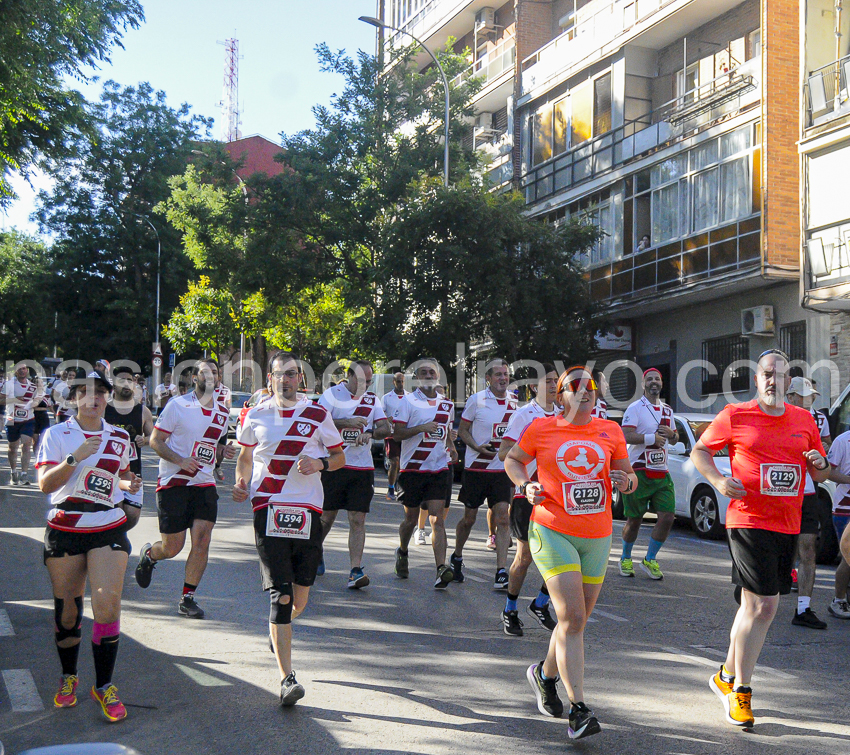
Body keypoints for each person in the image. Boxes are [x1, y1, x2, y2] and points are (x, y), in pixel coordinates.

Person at [692, 349, 828, 728]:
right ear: (757, 379)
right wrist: (718, 480)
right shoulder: (736, 416)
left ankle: (723, 675)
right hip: (748, 520)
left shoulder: (803, 419)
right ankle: (741, 691)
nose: (773, 380)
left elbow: (818, 470)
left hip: (787, 522)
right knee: (764, 608)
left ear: (789, 381)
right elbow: (700, 449)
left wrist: (819, 464)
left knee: (751, 607)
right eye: (767, 373)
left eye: (780, 375)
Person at [505, 366, 635, 739]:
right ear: (560, 396)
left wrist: (627, 481)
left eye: (589, 386)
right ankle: (579, 709)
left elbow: (628, 475)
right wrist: (525, 484)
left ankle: (544, 676)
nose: (583, 391)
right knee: (574, 619)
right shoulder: (542, 428)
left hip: (597, 536)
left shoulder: (609, 430)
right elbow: (513, 459)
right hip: (552, 531)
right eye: (573, 387)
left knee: (571, 623)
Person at [233, 351, 345, 705]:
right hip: (269, 507)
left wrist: (320, 462)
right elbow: (246, 456)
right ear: (270, 379)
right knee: (280, 596)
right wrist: (241, 482)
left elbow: (340, 457)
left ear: (301, 379)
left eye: (292, 374)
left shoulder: (316, 413)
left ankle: (277, 628)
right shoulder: (256, 414)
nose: (286, 379)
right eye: (279, 374)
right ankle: (287, 679)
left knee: (300, 598)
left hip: (307, 509)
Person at [35, 369, 142, 722]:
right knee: (68, 611)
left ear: (108, 398)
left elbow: (121, 476)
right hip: (65, 525)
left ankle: (104, 685)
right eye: (85, 392)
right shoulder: (57, 434)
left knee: (107, 602)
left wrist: (127, 483)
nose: (93, 399)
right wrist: (75, 457)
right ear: (74, 397)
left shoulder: (119, 437)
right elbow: (46, 486)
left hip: (106, 524)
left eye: (100, 392)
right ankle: (69, 677)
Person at [134, 359, 236, 618]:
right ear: (194, 378)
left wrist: (223, 452)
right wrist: (180, 460)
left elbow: (215, 446)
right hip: (173, 482)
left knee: (202, 539)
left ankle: (187, 598)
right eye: (206, 373)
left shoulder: (222, 413)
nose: (211, 376)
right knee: (173, 547)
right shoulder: (177, 405)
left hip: (203, 482)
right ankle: (150, 554)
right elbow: (156, 440)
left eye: (215, 372)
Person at [497, 363, 560, 636]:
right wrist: (532, 459)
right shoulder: (524, 415)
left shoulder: (565, 415)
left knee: (563, 556)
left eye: (557, 381)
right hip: (529, 495)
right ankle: (510, 609)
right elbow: (503, 453)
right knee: (525, 558)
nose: (554, 385)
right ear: (534, 386)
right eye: (548, 381)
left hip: (557, 496)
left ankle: (541, 604)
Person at [317, 360, 391, 588]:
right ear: (349, 376)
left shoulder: (372, 400)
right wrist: (345, 422)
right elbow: (316, 424)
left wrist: (370, 432)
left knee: (357, 519)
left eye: (369, 381)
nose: (365, 385)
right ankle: (314, 549)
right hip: (334, 465)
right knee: (327, 517)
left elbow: (386, 428)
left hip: (361, 467)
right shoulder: (331, 395)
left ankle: (355, 571)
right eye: (361, 380)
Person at [392, 359, 457, 588]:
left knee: (437, 519)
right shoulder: (407, 402)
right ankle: (402, 550)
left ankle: (441, 568)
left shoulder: (446, 404)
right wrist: (420, 428)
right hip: (413, 469)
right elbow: (397, 434)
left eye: (432, 372)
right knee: (410, 520)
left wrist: (452, 446)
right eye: (423, 372)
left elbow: (446, 432)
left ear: (438, 376)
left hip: (438, 468)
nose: (428, 375)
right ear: (417, 378)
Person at [452, 359, 517, 589]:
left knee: (502, 517)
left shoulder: (515, 402)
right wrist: (477, 447)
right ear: (488, 378)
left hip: (501, 470)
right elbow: (462, 431)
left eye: (506, 374)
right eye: (498, 374)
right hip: (476, 468)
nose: (503, 378)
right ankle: (457, 556)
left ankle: (501, 571)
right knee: (469, 519)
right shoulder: (476, 400)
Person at [618, 368, 678, 580]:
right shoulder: (635, 408)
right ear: (644, 385)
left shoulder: (668, 410)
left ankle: (650, 559)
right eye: (649, 379)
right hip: (638, 470)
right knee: (634, 520)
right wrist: (651, 439)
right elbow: (625, 435)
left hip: (661, 471)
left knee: (668, 517)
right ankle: (625, 557)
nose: (654, 382)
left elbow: (673, 438)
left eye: (657, 379)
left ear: (661, 383)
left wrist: (673, 435)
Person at [784, 377, 831, 628]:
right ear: (790, 397)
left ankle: (803, 609)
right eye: (803, 395)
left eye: (811, 395)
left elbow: (824, 461)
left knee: (808, 549)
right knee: (779, 549)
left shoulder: (815, 420)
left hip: (807, 492)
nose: (809, 400)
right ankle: (752, 590)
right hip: (779, 495)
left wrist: (821, 458)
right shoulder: (777, 417)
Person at [104, 364, 155, 529]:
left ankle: (116, 542)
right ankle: (113, 546)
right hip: (109, 472)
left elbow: (154, 437)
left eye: (130, 380)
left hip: (133, 472)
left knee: (132, 517)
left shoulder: (142, 411)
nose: (126, 384)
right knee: (114, 516)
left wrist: (145, 440)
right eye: (122, 380)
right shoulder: (105, 409)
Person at [826, 429, 850, 619]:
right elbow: (829, 472)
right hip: (845, 509)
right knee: (848, 556)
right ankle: (839, 600)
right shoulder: (843, 440)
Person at [5, 362, 41, 486]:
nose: (22, 371)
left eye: (24, 369)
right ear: (16, 371)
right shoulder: (9, 385)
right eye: (19, 369)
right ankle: (13, 472)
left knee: (26, 445)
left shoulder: (32, 386)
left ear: (27, 371)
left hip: (28, 419)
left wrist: (35, 403)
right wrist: (15, 400)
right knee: (12, 448)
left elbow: (37, 400)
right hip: (11, 418)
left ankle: (24, 475)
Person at [381, 372, 407, 502]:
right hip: (391, 434)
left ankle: (402, 487)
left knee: (405, 462)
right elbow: (380, 414)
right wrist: (387, 419)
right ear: (393, 382)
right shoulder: (386, 397)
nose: (400, 384)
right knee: (395, 461)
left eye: (402, 381)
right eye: (398, 381)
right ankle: (391, 487)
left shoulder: (410, 397)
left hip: (405, 434)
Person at [212, 371, 232, 482]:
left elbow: (228, 407)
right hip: (210, 423)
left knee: (222, 447)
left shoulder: (226, 390)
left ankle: (217, 465)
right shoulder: (207, 390)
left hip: (222, 423)